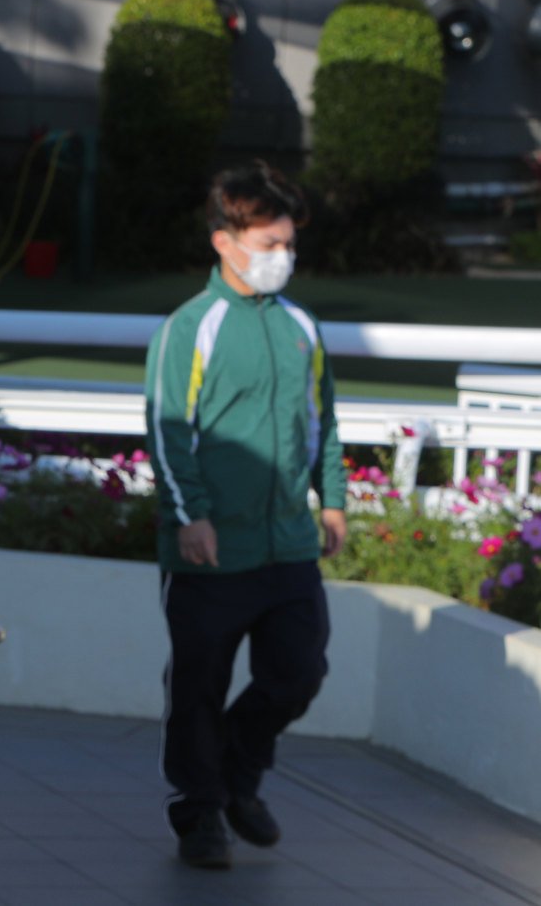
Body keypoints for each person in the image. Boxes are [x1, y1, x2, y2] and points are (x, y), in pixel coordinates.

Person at [146, 160, 347, 869]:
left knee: (299, 671)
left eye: (287, 243)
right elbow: (169, 429)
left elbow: (321, 423)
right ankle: (199, 810)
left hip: (288, 543)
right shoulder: (189, 329)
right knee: (197, 687)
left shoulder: (302, 326)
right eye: (268, 243)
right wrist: (189, 514)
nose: (281, 257)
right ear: (223, 241)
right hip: (208, 547)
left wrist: (334, 499)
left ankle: (235, 773)